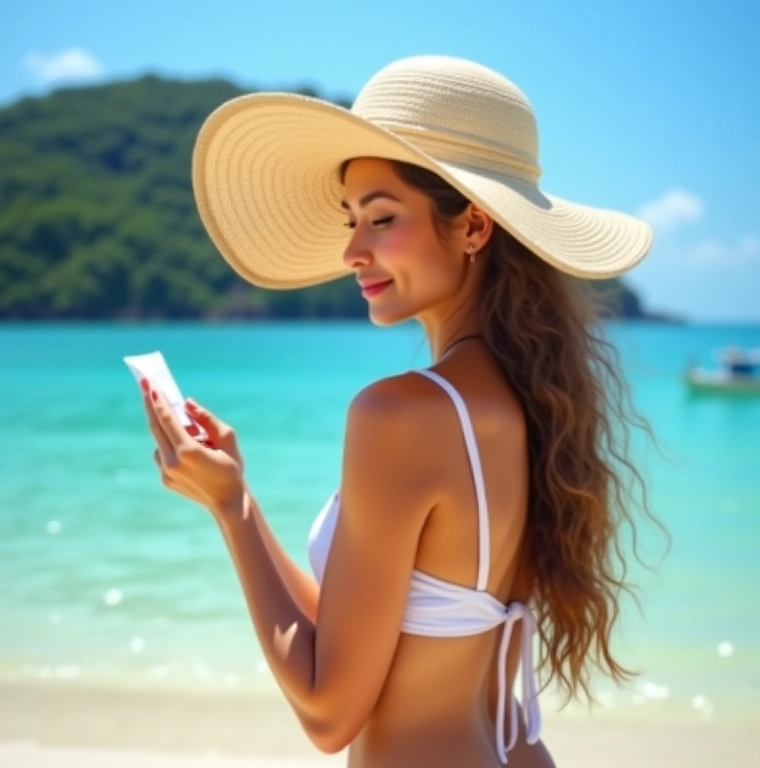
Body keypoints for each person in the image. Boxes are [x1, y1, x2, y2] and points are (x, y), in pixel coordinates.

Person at [141, 56, 659, 767]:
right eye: (351, 220)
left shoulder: (402, 413)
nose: (353, 250)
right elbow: (377, 635)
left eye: (381, 218)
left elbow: (331, 714)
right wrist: (239, 498)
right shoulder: (533, 403)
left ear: (474, 227)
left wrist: (228, 515)